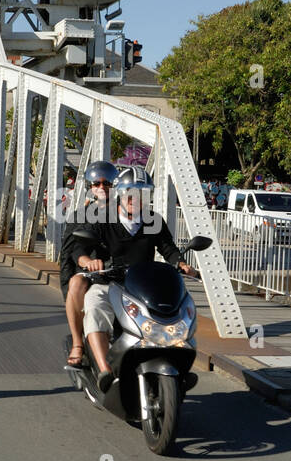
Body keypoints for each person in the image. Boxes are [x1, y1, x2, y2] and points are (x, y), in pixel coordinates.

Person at [70, 167, 197, 393]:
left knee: (174, 313)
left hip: (141, 286)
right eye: (129, 192)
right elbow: (80, 248)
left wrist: (180, 262)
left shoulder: (152, 220)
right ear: (119, 193)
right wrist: (87, 261)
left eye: (141, 193)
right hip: (108, 283)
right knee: (95, 307)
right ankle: (104, 369)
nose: (134, 198)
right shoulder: (102, 218)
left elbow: (167, 247)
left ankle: (178, 366)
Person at [60, 161, 115, 368]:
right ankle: (77, 343)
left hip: (122, 270)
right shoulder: (81, 216)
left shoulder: (127, 212)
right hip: (93, 271)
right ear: (90, 188)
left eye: (107, 183)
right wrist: (88, 262)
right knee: (77, 283)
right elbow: (74, 249)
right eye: (96, 184)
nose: (101, 187)